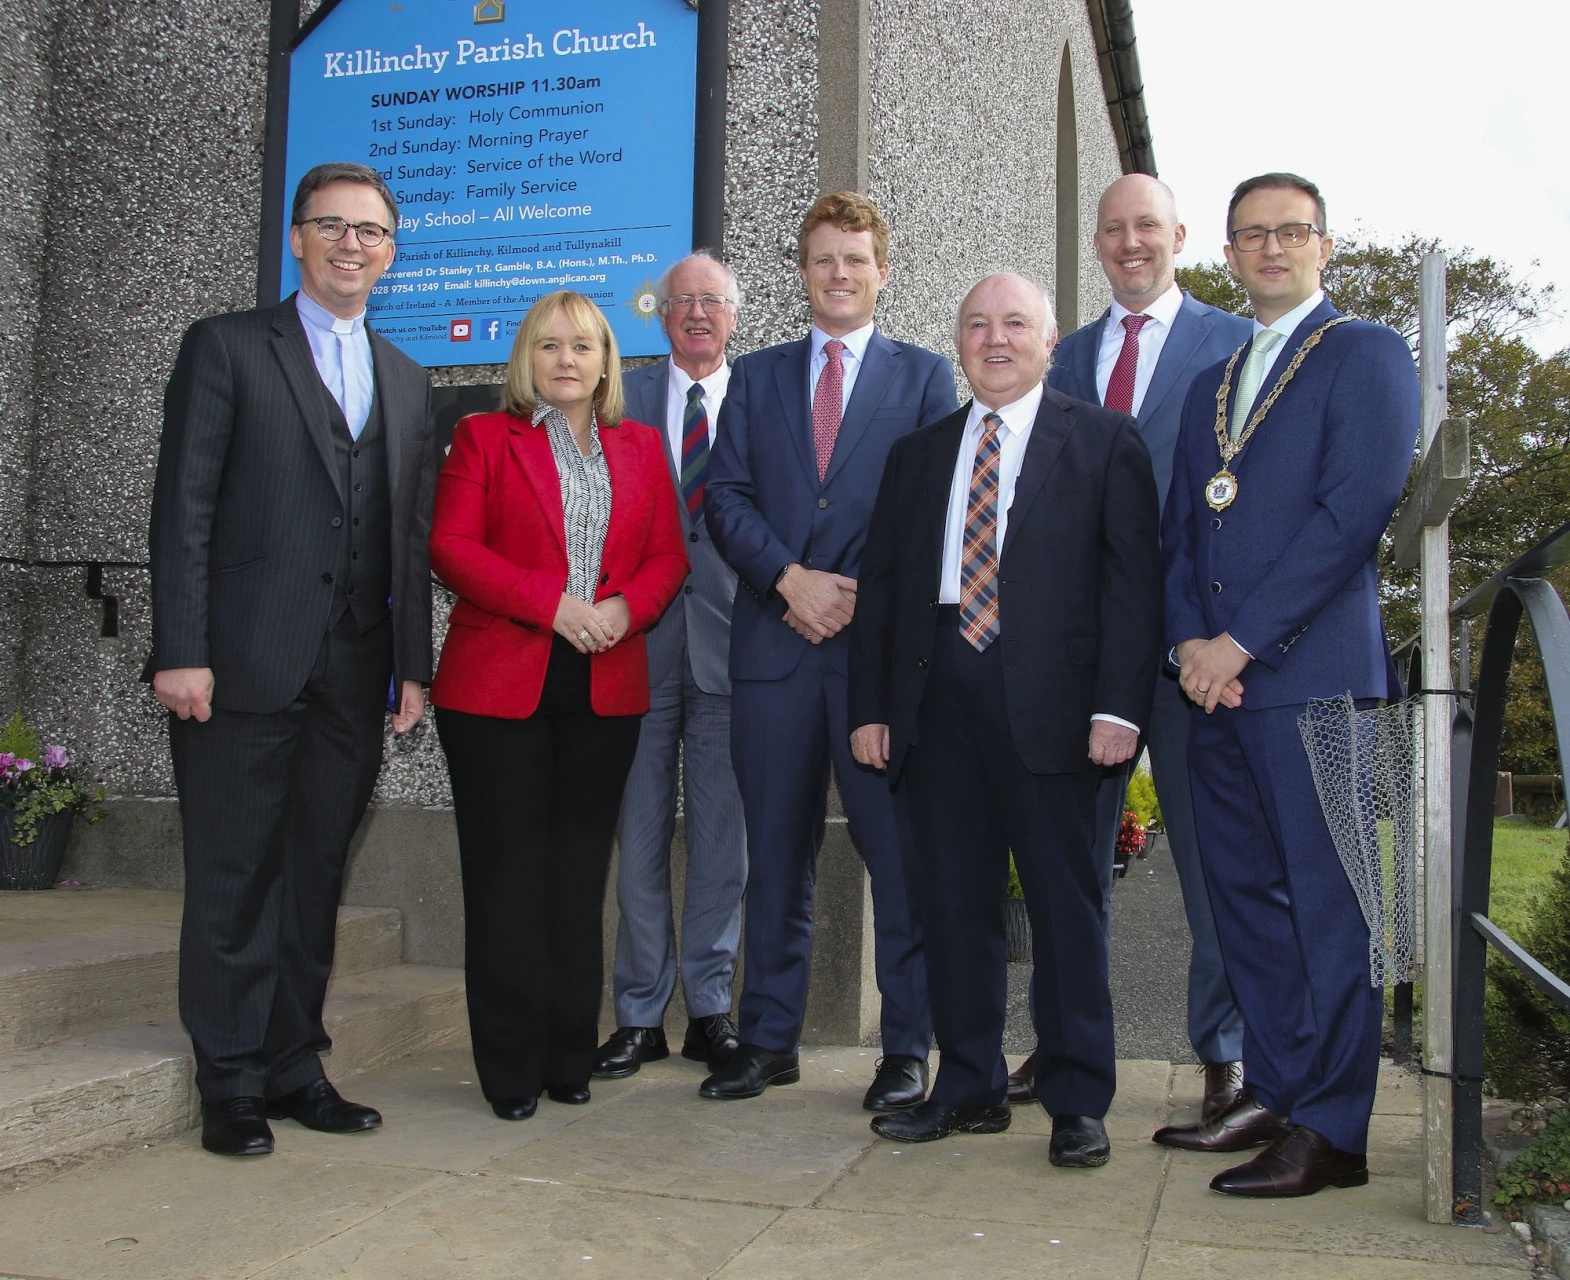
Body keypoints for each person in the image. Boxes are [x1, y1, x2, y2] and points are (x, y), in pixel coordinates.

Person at [148, 161, 438, 1157]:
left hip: (354, 675)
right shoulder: (226, 348)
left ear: (391, 252)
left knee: (313, 873)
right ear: (298, 239)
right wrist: (180, 649)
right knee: (234, 873)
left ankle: (293, 1064)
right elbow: (181, 509)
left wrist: (412, 666)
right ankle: (227, 1079)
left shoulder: (404, 378)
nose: (351, 244)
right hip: (237, 664)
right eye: (332, 226)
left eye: (370, 231)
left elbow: (403, 535)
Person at [848, 273, 1161, 1167]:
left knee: (1066, 911)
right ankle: (970, 1086)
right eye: (978, 323)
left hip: (1057, 708)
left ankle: (1075, 1100)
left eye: (1014, 323)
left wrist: (1117, 709)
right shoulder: (918, 455)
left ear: (1049, 339)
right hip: (934, 695)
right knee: (952, 905)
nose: (996, 338)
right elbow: (884, 591)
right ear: (958, 342)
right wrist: (871, 708)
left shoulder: (1105, 441)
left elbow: (1132, 589)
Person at [1159, 173, 1419, 1196]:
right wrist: (1188, 644)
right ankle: (1273, 1085)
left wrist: (1239, 644)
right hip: (1215, 691)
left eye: (1290, 231)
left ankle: (1336, 1127)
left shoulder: (1363, 353)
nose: (1270, 248)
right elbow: (1183, 527)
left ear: (1323, 245)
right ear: (1224, 254)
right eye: (1250, 234)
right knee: (1243, 905)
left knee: (1329, 907)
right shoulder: (1210, 384)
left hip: (1310, 682)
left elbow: (1351, 515)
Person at [701, 192, 957, 1108]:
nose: (839, 275)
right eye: (823, 260)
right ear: (802, 272)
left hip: (877, 663)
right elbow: (724, 499)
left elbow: (933, 513)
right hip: (774, 654)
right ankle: (769, 1036)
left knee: (898, 856)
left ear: (882, 271)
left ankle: (906, 1047)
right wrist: (788, 580)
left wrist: (851, 597)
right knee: (775, 853)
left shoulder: (925, 378)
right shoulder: (758, 379)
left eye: (855, 259)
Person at [1008, 175, 1253, 1121]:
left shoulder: (1234, 345)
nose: (1129, 241)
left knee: (1209, 861)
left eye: (1146, 225)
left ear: (1180, 236)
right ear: (1098, 243)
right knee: (1071, 865)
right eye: (1112, 228)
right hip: (1081, 656)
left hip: (1195, 653)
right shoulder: (1059, 356)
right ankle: (1065, 1042)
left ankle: (1223, 1055)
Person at [428, 290, 688, 1121]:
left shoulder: (643, 447)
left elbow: (666, 555)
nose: (566, 360)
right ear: (525, 360)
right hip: (498, 688)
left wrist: (623, 610)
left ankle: (568, 1054)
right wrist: (552, 605)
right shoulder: (483, 438)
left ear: (608, 361)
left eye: (583, 345)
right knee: (507, 881)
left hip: (604, 687)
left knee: (577, 881)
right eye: (549, 346)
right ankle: (509, 1070)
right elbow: (452, 547)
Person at [593, 251, 747, 1080]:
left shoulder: (765, 397)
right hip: (635, 646)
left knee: (726, 843)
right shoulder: (621, 398)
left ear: (734, 313)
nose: (696, 315)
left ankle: (713, 1009)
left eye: (711, 301)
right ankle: (641, 1013)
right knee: (641, 834)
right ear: (659, 314)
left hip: (734, 652)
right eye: (682, 301)